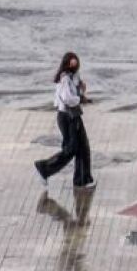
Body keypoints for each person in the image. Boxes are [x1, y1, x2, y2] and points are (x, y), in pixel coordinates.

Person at [35, 52, 95, 189]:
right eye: (73, 64)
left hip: (72, 116)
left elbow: (73, 93)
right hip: (68, 117)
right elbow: (67, 98)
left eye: (77, 64)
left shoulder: (72, 77)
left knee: (82, 148)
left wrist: (80, 90)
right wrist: (81, 99)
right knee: (73, 148)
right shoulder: (64, 79)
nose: (76, 67)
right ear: (67, 65)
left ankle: (82, 180)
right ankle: (44, 168)